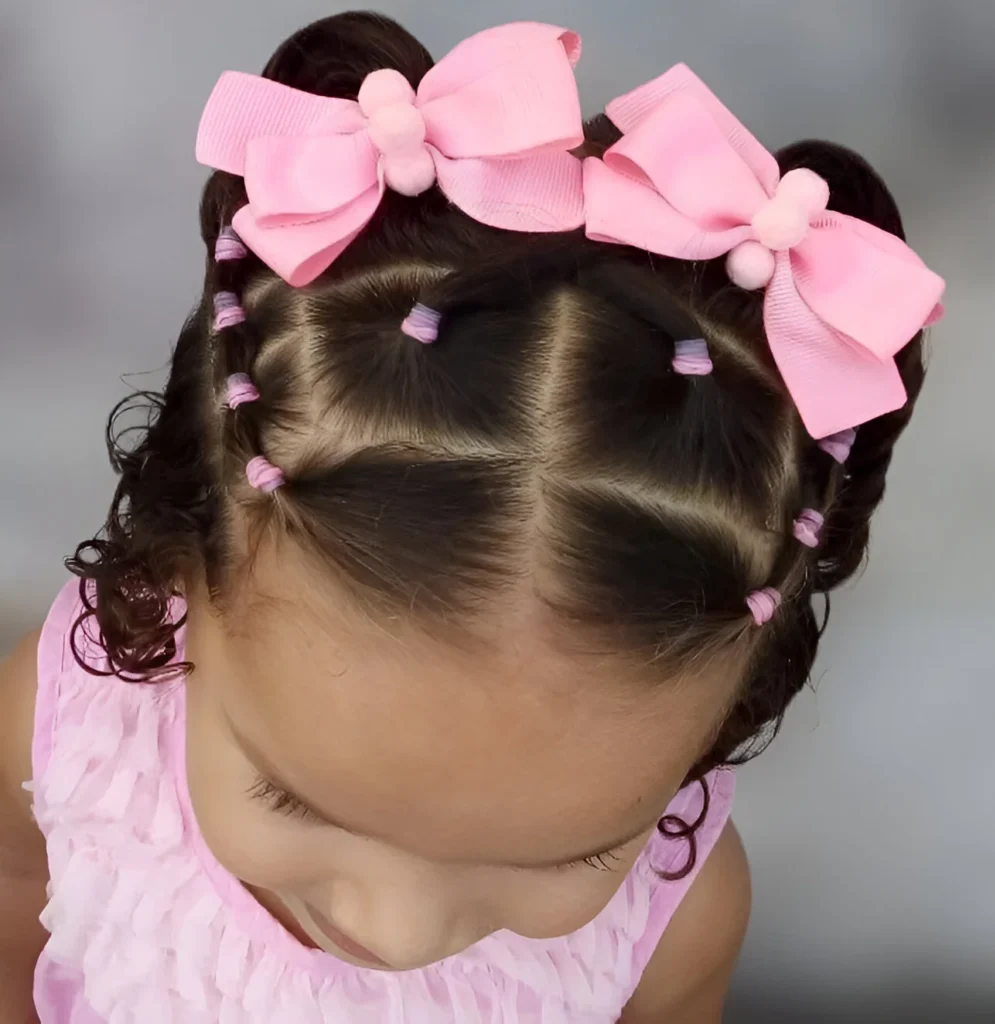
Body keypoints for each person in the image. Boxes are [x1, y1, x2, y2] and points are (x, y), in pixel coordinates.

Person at [0, 11, 944, 1023]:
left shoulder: (683, 922)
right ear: (174, 573)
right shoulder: (72, 724)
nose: (400, 933)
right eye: (295, 800)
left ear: (722, 719)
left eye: (561, 855)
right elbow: (16, 897)